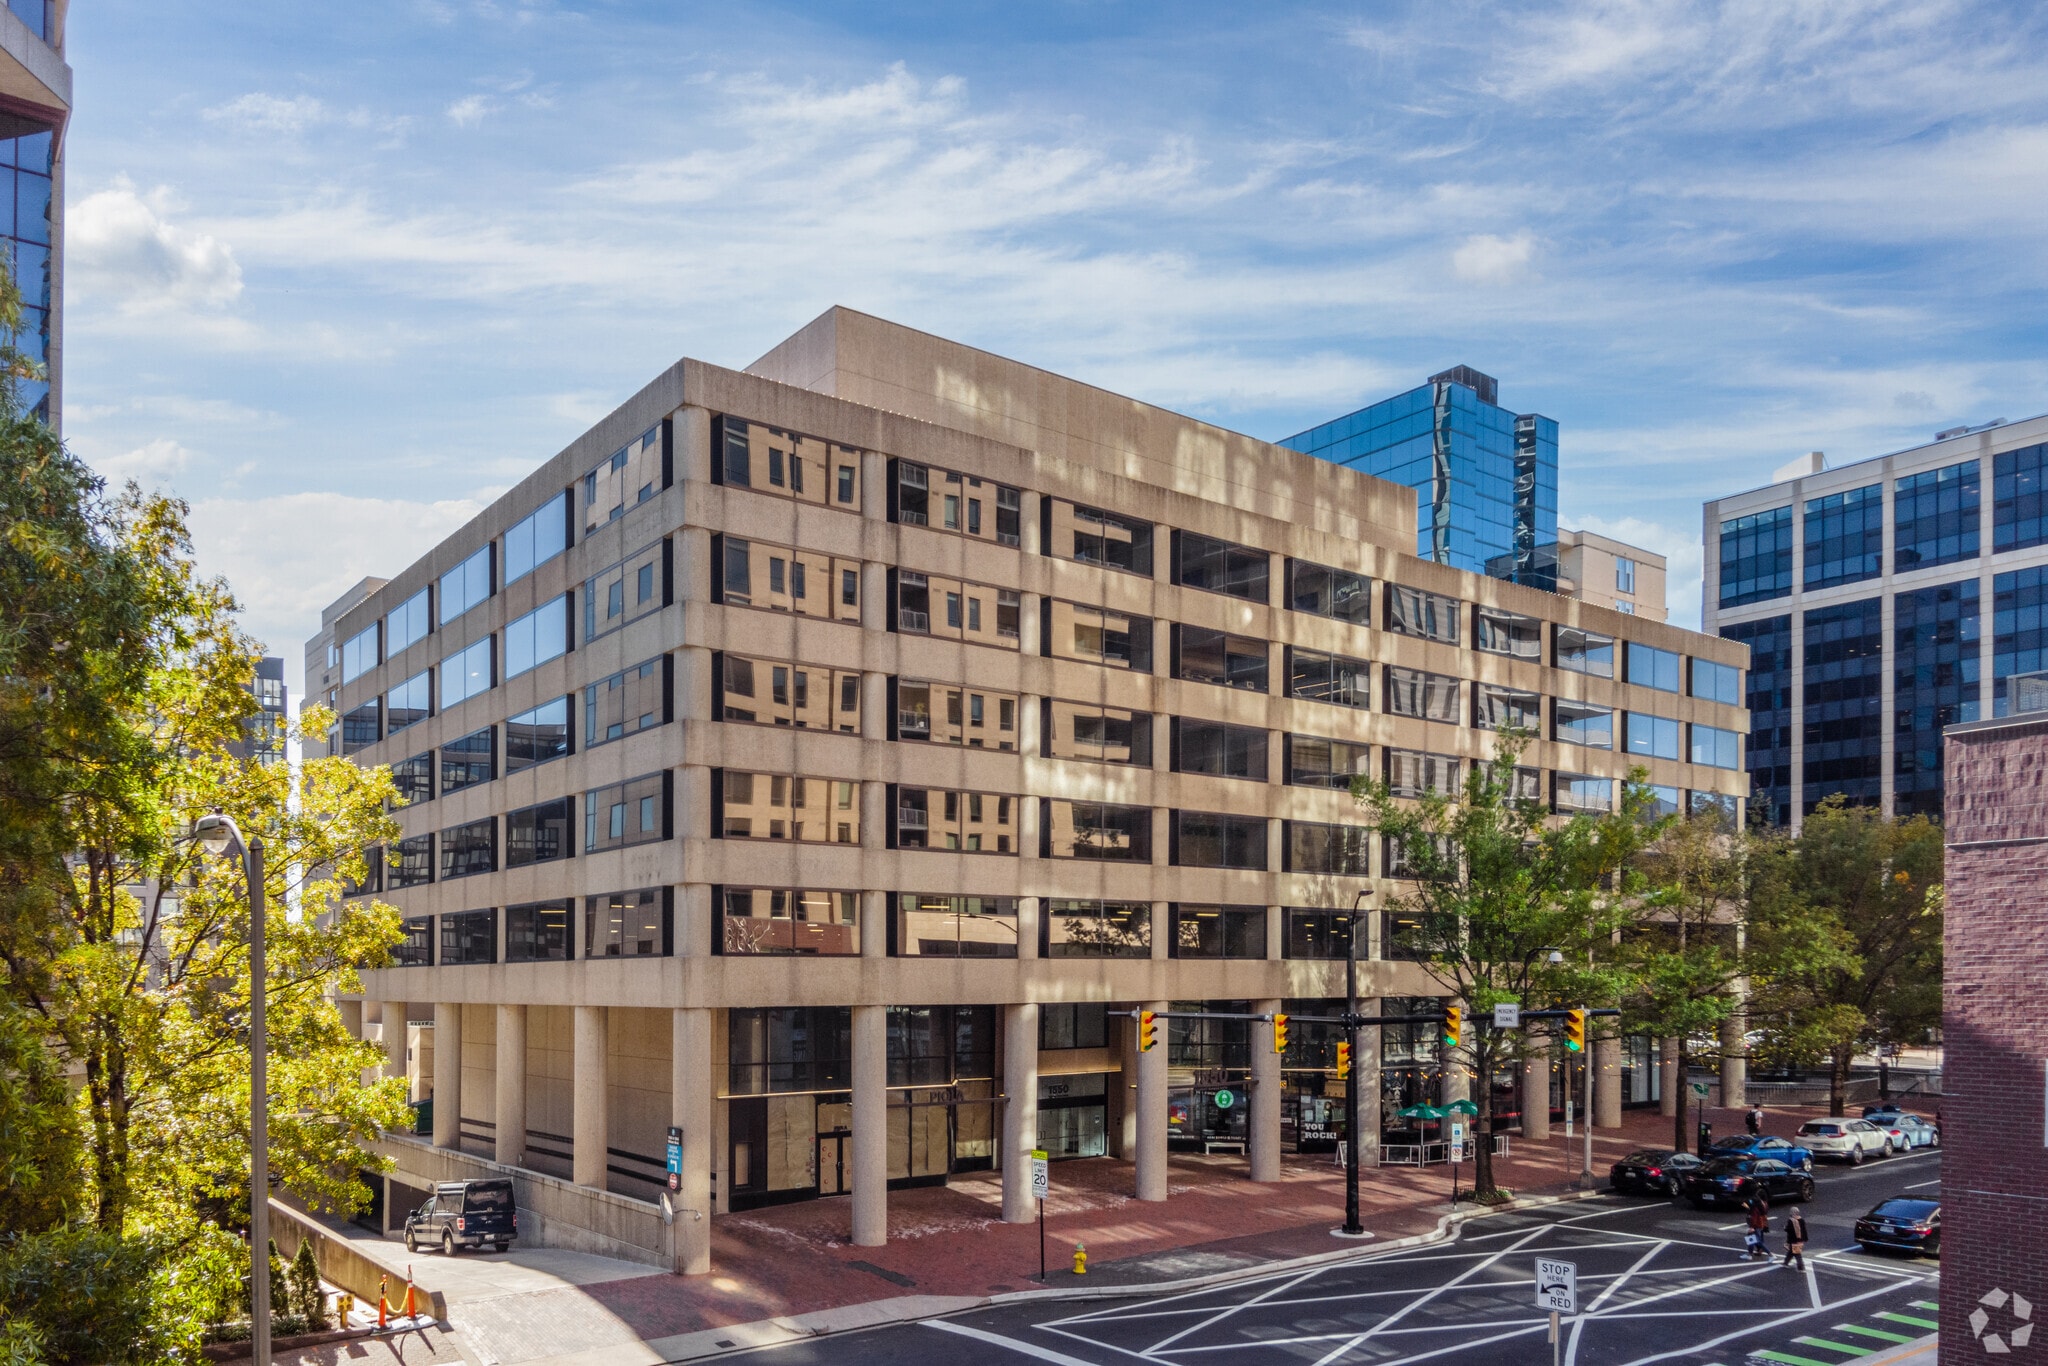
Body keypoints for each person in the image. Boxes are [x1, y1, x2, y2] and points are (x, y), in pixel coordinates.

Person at [1744, 1194, 1771, 1260]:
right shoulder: (1758, 1207)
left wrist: (1752, 1227)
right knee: (1751, 1240)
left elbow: (1754, 1219)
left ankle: (1770, 1254)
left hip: (1756, 1227)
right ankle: (1750, 1255)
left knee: (1757, 1241)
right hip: (1758, 1226)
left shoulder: (1754, 1210)